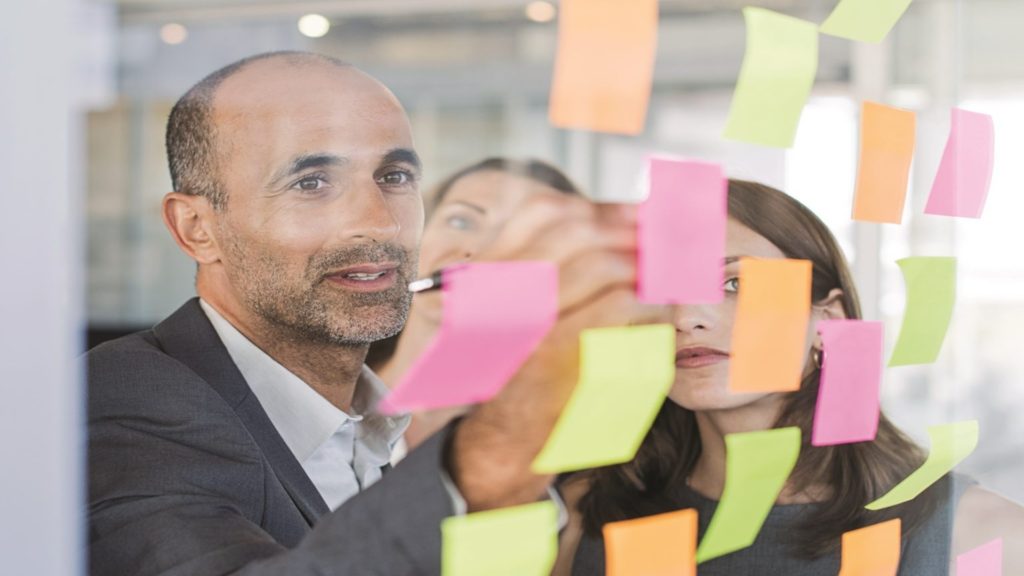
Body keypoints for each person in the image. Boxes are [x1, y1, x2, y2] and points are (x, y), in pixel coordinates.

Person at [87, 51, 655, 575]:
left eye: (395, 177)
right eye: (311, 183)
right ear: (196, 228)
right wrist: (506, 439)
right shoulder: (122, 399)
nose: (380, 222)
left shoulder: (376, 425)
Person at [556, 180, 1024, 575]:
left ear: (828, 321)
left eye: (735, 283)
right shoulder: (590, 509)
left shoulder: (977, 534)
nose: (686, 317)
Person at [367, 157, 582, 450]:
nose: (477, 250)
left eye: (521, 236)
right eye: (462, 221)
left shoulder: (560, 437)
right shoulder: (324, 393)